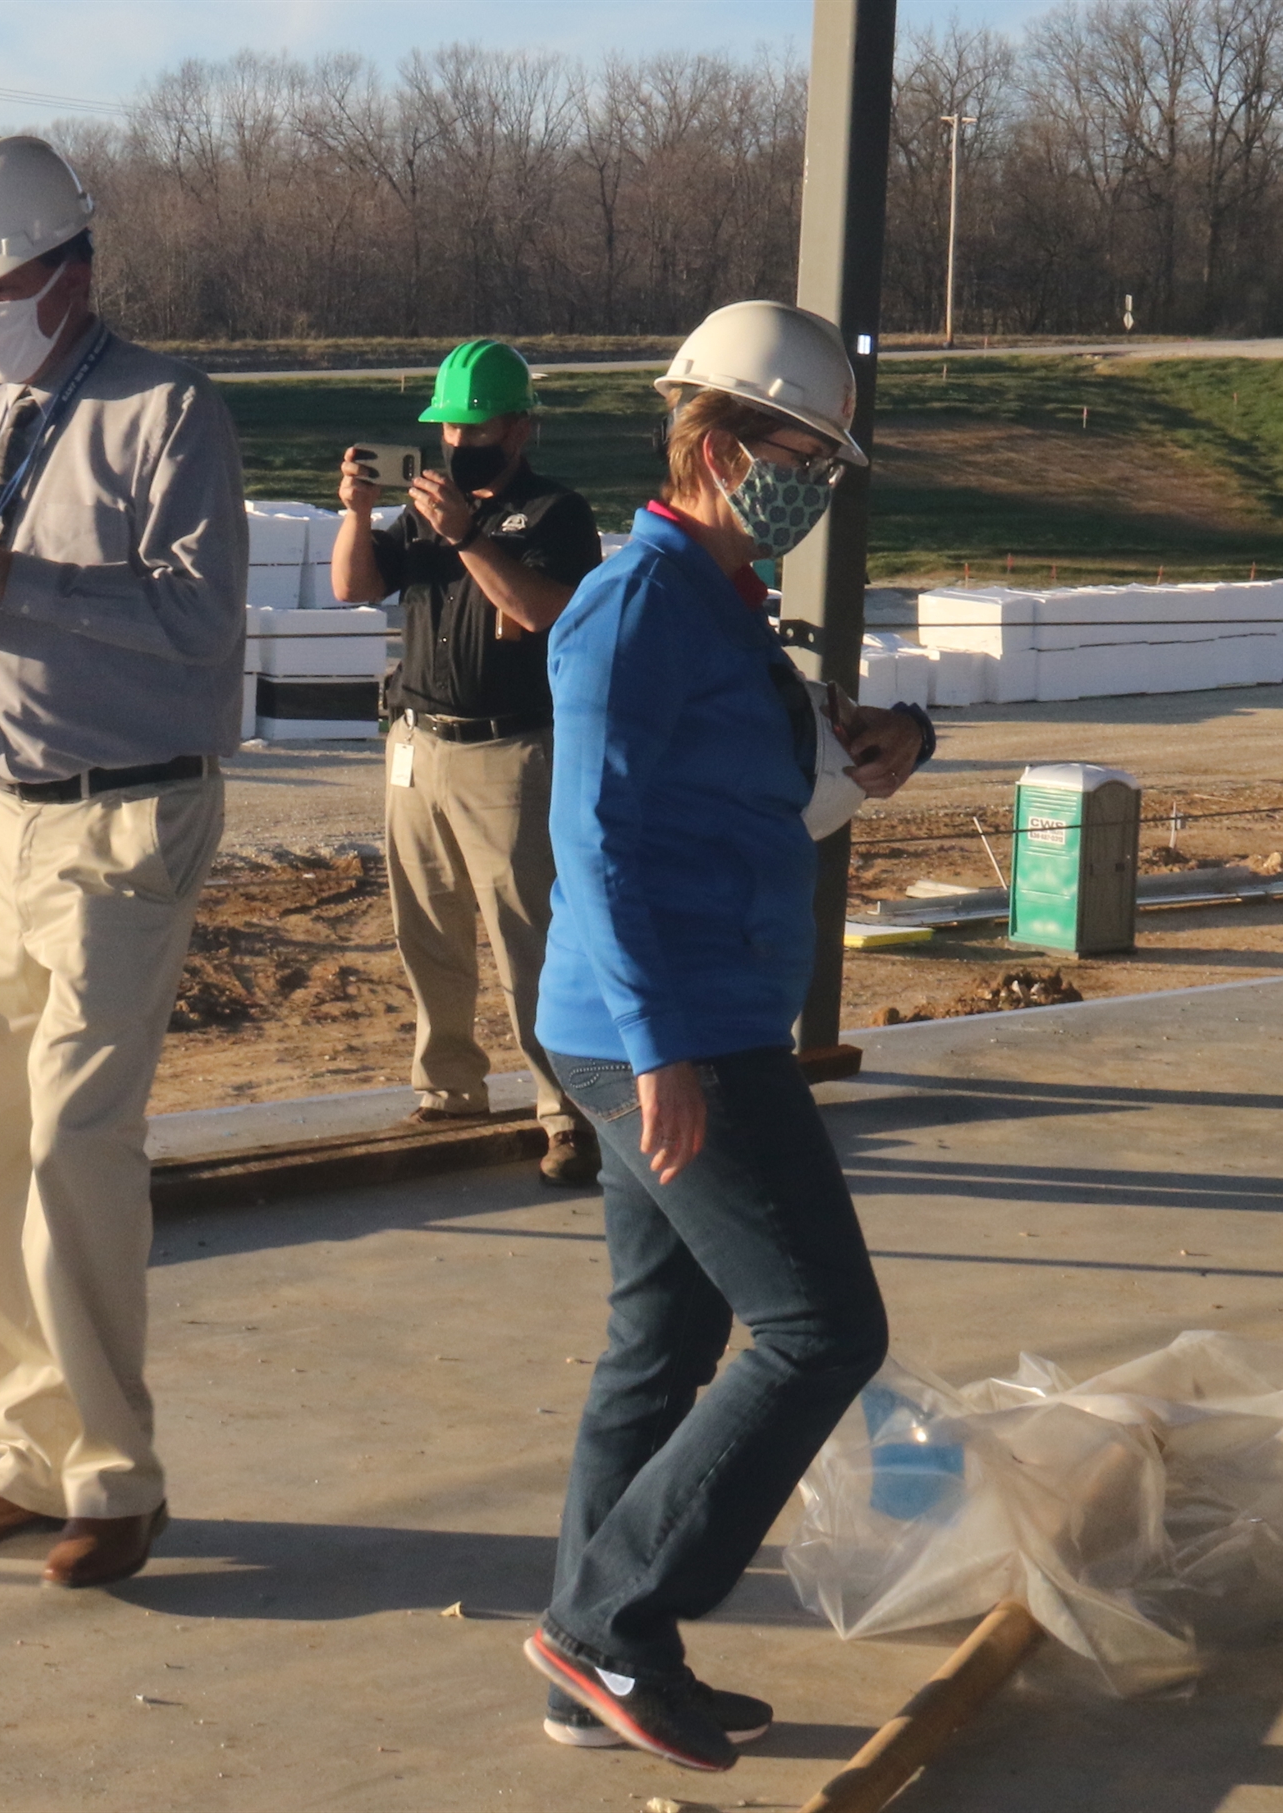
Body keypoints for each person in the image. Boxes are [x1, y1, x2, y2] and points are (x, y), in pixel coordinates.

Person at [518, 301, 935, 1770]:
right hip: (671, 1028)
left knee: (665, 1339)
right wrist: (658, 1053)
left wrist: (898, 738)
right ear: (711, 438)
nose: (815, 477)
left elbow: (781, 762)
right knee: (823, 1325)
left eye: (828, 456)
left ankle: (590, 1669)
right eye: (798, 447)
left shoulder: (723, 600)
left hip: (693, 1014)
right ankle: (611, 1624)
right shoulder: (635, 603)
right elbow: (596, 838)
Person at [0, 135, 247, 1589]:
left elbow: (199, 621)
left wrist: (13, 581)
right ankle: (29, 1452)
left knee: (77, 1141)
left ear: (71, 273)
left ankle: (116, 1473)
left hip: (126, 813)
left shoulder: (170, 413)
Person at [331, 339, 603, 1185]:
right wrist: (356, 510)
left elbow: (546, 609)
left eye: (475, 424)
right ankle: (448, 1087)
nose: (457, 440)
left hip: (511, 750)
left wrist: (471, 534)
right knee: (428, 929)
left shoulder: (556, 512)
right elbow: (353, 588)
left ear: (521, 427)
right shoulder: (424, 508)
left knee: (530, 936)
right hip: (419, 742)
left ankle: (566, 1110)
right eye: (447, 425)